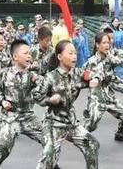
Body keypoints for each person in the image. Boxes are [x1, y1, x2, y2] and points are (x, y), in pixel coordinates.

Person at [34, 40, 99, 169]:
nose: (74, 56)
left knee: (92, 144)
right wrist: (50, 100)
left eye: (75, 53)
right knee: (49, 156)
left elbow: (94, 74)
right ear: (59, 57)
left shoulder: (77, 73)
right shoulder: (50, 77)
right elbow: (37, 96)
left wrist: (95, 79)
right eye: (70, 53)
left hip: (70, 122)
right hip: (53, 123)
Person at [0, 40, 43, 169]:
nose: (29, 56)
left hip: (28, 117)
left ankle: (50, 164)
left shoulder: (32, 75)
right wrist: (2, 101)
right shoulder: (4, 74)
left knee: (50, 140)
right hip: (10, 117)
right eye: (25, 53)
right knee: (4, 146)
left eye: (30, 54)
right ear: (15, 57)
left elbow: (45, 85)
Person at [83, 32, 123, 142]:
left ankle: (120, 134)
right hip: (97, 96)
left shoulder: (109, 57)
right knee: (92, 122)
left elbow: (119, 61)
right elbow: (85, 74)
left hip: (109, 96)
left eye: (108, 42)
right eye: (104, 43)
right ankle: (79, 134)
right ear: (97, 45)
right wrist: (91, 79)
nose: (107, 45)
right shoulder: (92, 61)